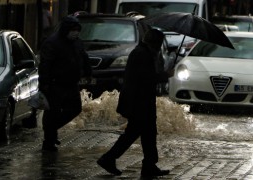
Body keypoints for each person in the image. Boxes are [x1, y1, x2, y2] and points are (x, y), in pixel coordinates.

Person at [97, 29, 173, 177]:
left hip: (141, 100)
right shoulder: (142, 55)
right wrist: (166, 75)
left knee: (148, 133)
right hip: (139, 101)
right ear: (155, 43)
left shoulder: (143, 53)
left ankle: (149, 165)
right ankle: (109, 158)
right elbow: (147, 78)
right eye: (159, 43)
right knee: (134, 133)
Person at [38, 16, 92, 151]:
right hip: (55, 84)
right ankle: (49, 140)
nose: (76, 33)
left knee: (75, 109)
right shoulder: (52, 43)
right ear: (66, 30)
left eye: (77, 30)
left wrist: (88, 73)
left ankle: (51, 130)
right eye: (73, 30)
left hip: (71, 83)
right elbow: (45, 65)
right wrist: (44, 84)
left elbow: (83, 57)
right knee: (52, 112)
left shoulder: (77, 42)